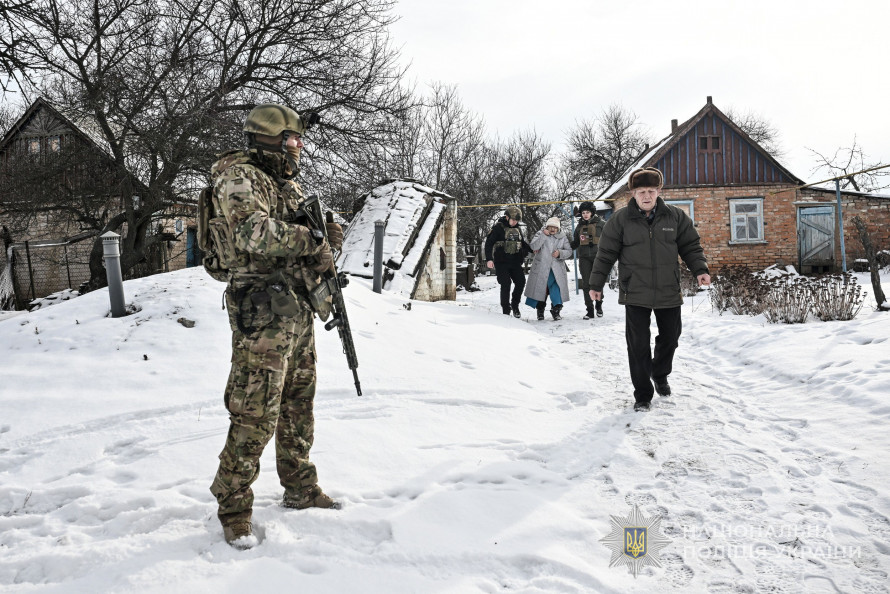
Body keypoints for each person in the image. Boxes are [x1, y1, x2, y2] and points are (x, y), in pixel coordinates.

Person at [208, 104, 345, 549]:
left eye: (298, 141)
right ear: (269, 139)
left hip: (296, 306)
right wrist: (314, 241)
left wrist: (328, 234)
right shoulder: (239, 177)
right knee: (255, 410)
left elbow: (299, 230)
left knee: (297, 403)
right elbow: (254, 233)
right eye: (291, 140)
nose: (297, 148)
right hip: (262, 310)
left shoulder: (283, 182)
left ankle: (301, 488)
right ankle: (233, 506)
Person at [587, 167, 710, 412]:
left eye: (651, 191)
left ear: (658, 191)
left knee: (670, 339)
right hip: (635, 291)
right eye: (641, 191)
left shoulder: (675, 217)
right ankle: (643, 394)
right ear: (633, 193)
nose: (646, 196)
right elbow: (605, 254)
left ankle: (660, 373)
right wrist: (595, 284)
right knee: (638, 344)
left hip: (668, 289)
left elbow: (691, 246)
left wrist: (700, 270)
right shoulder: (620, 220)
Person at [484, 205, 532, 317]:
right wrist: (489, 259)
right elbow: (489, 244)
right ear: (507, 217)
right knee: (506, 283)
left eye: (517, 220)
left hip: (515, 261)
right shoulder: (497, 228)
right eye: (513, 220)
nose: (515, 222)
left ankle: (515, 305)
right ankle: (506, 310)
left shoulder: (518, 229)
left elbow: (522, 243)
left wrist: (532, 250)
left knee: (520, 282)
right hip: (501, 262)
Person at [524, 216, 573, 320]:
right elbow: (533, 247)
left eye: (555, 227)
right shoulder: (540, 233)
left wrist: (560, 253)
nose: (552, 229)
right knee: (542, 290)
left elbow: (569, 251)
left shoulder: (563, 237)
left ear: (558, 228)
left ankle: (556, 310)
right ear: (547, 227)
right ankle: (540, 311)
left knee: (556, 289)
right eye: (550, 227)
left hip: (556, 270)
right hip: (541, 268)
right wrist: (543, 236)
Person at [569, 201, 607, 319]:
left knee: (598, 283)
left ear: (592, 213)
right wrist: (562, 248)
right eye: (583, 213)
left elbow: (611, 238)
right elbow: (575, 243)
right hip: (584, 258)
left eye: (588, 212)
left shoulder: (602, 224)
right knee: (586, 284)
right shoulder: (579, 227)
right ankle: (589, 309)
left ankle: (599, 306)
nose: (585, 215)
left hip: (598, 257)